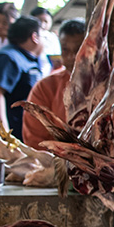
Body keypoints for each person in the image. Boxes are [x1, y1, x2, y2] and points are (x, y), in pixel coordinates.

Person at [21, 19, 86, 149]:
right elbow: (35, 142)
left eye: (79, 50)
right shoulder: (45, 87)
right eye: (66, 50)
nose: (72, 57)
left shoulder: (110, 86)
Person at [0, 15, 48, 139]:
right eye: (43, 37)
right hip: (7, 137)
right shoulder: (7, 58)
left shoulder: (27, 59)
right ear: (34, 37)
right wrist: (4, 136)